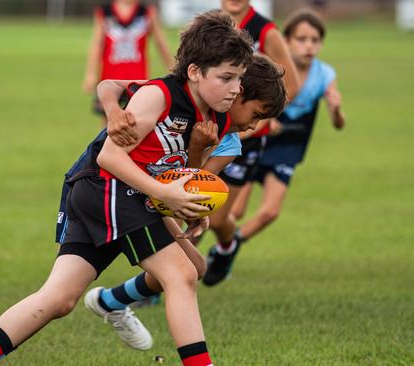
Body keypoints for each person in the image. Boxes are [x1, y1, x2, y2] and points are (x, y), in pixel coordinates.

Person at [0, 11, 254, 366]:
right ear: (194, 71)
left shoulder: (215, 117)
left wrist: (188, 207)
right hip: (107, 187)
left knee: (60, 298)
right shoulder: (159, 96)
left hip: (113, 194)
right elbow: (110, 157)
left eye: (239, 79)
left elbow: (164, 170)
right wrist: (164, 195)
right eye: (226, 78)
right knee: (181, 275)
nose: (236, 88)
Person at [80, 53, 287, 348]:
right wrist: (113, 110)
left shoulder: (228, 143)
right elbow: (110, 85)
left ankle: (109, 301)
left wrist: (196, 148)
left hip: (156, 193)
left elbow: (189, 185)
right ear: (237, 94)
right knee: (181, 273)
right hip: (115, 184)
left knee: (196, 267)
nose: (254, 126)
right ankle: (110, 302)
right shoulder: (184, 99)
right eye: (256, 114)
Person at [205, 9, 346, 286]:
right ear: (289, 40)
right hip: (250, 137)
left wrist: (335, 108)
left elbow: (331, 117)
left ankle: (228, 247)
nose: (308, 45)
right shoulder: (225, 32)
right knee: (230, 213)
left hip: (281, 145)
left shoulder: (322, 73)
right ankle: (217, 249)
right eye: (302, 39)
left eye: (315, 40)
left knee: (266, 211)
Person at [201, 0, 302, 285]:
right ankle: (161, 283)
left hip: (246, 139)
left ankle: (226, 246)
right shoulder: (214, 26)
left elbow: (291, 84)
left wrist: (266, 118)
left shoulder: (266, 31)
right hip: (207, 128)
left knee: (219, 218)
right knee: (192, 201)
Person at [82, 0, 173, 125]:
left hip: (136, 81)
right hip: (109, 81)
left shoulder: (146, 13)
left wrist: (173, 68)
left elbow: (160, 43)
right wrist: (90, 74)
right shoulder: (105, 12)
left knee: (135, 124)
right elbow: (97, 45)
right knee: (108, 126)